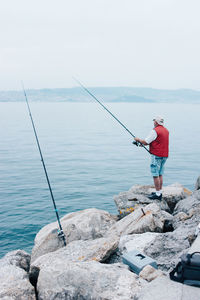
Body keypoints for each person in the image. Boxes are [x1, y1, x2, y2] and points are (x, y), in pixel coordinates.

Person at [134, 116, 169, 200]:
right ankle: (159, 192)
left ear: (156, 122)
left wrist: (138, 139)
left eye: (154, 121)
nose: (153, 123)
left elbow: (146, 141)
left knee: (155, 174)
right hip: (164, 155)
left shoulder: (155, 131)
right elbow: (157, 142)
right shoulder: (166, 131)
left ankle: (157, 194)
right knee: (160, 173)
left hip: (156, 155)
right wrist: (140, 144)